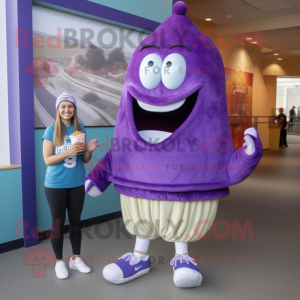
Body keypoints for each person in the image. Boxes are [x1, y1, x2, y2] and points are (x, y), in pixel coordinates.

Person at [42, 92, 99, 279]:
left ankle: (76, 259)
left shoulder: (80, 129)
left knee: (75, 222)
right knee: (57, 224)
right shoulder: (51, 130)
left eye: (70, 106)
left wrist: (89, 152)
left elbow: (84, 159)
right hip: (55, 185)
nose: (67, 109)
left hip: (76, 184)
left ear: (74, 109)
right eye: (63, 106)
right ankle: (59, 262)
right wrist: (68, 151)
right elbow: (48, 160)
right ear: (58, 110)